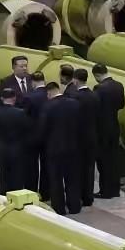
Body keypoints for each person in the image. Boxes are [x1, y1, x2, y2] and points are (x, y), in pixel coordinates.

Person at [38, 82, 82, 215]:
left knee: (56, 180)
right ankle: (74, 206)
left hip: (54, 149)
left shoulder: (47, 106)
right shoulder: (75, 104)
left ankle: (59, 208)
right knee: (72, 178)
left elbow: (43, 128)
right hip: (73, 147)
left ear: (49, 92)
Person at [93, 63, 125, 199]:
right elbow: (121, 105)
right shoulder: (119, 85)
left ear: (97, 75)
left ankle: (105, 191)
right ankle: (115, 190)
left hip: (102, 129)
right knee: (114, 160)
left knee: (103, 162)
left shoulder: (99, 88)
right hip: (114, 127)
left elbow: (95, 109)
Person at [0, 88, 31, 194]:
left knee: (4, 174)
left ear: (2, 98)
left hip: (2, 148)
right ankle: (17, 195)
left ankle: (4, 194)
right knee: (17, 174)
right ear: (14, 98)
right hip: (18, 148)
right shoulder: (20, 113)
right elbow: (27, 129)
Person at [72, 68, 99, 206]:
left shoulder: (76, 97)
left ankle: (79, 195)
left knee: (77, 169)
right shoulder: (94, 95)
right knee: (89, 168)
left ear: (75, 80)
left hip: (78, 138)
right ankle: (88, 197)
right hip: (92, 136)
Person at [24, 71, 48, 194]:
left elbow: (25, 116)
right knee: (46, 166)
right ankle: (45, 192)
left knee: (31, 166)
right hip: (47, 136)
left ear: (33, 82)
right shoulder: (50, 95)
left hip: (32, 136)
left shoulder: (29, 97)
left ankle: (31, 191)